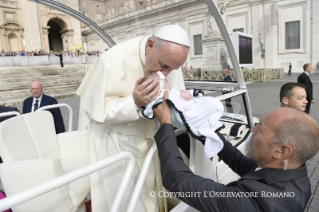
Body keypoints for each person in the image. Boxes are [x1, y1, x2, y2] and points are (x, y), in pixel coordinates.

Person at [76, 25, 189, 212]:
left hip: (150, 140)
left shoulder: (168, 61)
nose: (165, 73)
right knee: (126, 199)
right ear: (150, 45)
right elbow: (98, 113)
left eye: (172, 69)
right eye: (163, 65)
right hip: (116, 143)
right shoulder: (112, 60)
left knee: (150, 191)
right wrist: (133, 102)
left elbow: (174, 96)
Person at [153, 92, 319, 212]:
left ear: (282, 150)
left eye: (260, 129)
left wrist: (166, 124)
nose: (252, 129)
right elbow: (239, 162)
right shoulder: (290, 170)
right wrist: (208, 132)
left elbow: (177, 180)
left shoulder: (258, 202)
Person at [141, 71, 224, 158]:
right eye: (166, 81)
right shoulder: (171, 93)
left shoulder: (154, 102)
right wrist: (183, 92)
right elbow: (188, 96)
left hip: (178, 123)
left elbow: (147, 113)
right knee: (210, 104)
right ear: (161, 88)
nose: (168, 80)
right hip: (190, 115)